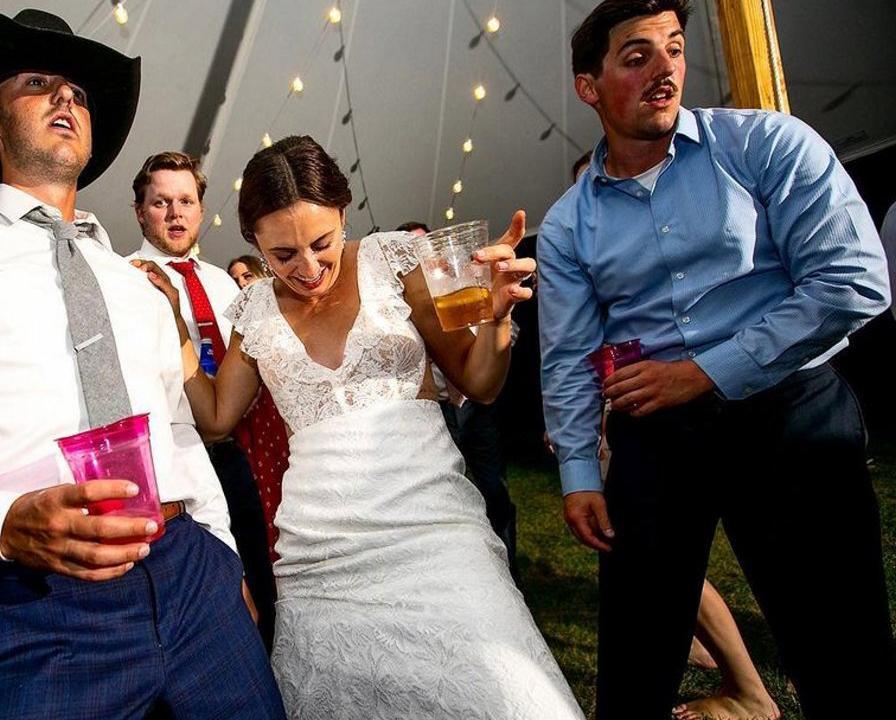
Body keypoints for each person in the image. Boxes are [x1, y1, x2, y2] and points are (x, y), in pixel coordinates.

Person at [0, 9, 282, 719]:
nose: (66, 96)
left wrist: (222, 556)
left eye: (79, 93)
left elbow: (179, 430)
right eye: (38, 83)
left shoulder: (132, 280)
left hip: (191, 575)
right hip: (33, 599)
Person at [140, 135, 583, 718]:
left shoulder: (393, 263)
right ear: (254, 242)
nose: (307, 268)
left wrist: (497, 317)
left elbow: (480, 382)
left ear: (343, 213)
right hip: (320, 556)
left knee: (507, 693)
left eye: (321, 243)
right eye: (282, 255)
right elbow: (219, 417)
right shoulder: (256, 309)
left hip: (433, 531)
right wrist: (175, 323)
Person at [539, 2, 894, 718]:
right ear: (588, 86)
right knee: (633, 670)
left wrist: (702, 373)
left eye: (674, 48)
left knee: (844, 656)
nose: (665, 69)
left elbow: (854, 280)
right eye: (637, 56)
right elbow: (569, 355)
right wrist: (579, 471)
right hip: (655, 436)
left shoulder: (765, 143)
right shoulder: (567, 224)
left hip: (790, 411)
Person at [571, 144, 780, 720]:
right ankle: (706, 655)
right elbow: (581, 353)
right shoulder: (582, 247)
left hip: (674, 415)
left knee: (673, 565)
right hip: (626, 418)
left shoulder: (672, 249)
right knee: (653, 567)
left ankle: (747, 687)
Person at [126, 150, 287, 649]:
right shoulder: (123, 280)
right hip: (177, 459)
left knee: (264, 571)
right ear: (140, 211)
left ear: (200, 210)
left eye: (186, 201)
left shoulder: (222, 283)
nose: (175, 213)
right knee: (202, 590)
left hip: (244, 450)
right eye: (161, 203)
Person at [396, 219, 520, 577]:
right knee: (453, 492)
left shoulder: (466, 283)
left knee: (494, 489)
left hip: (478, 409)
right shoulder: (403, 304)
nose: (427, 260)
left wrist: (489, 323)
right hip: (440, 411)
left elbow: (510, 336)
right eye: (414, 254)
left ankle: (509, 569)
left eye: (429, 249)